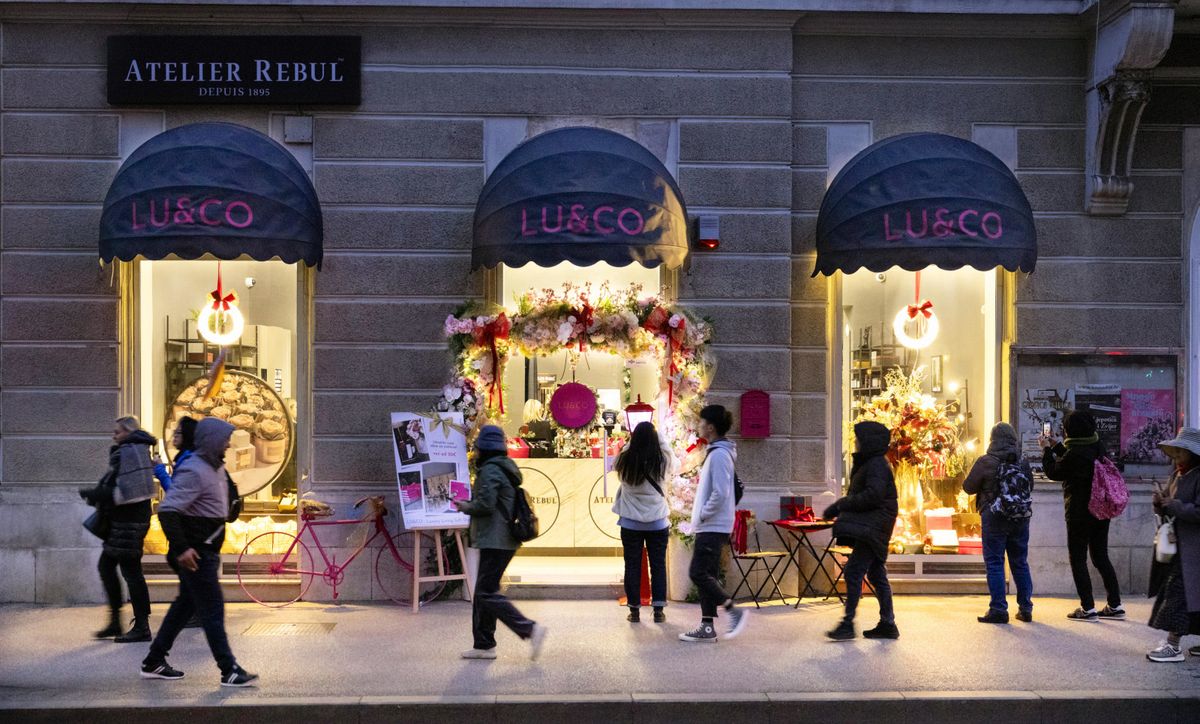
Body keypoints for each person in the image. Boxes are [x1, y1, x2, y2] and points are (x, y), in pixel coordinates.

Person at [140, 418, 257, 687]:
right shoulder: (194, 469)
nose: (229, 443)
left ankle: (153, 661)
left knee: (184, 607)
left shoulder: (213, 466)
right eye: (225, 438)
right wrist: (182, 549)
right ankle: (229, 669)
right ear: (212, 440)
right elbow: (168, 511)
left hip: (204, 550)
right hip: (197, 554)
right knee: (213, 611)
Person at [452, 425, 547, 660]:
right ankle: (483, 644)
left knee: (485, 592)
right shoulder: (503, 468)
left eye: (476, 447)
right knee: (484, 591)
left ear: (483, 448)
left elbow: (485, 505)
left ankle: (528, 628)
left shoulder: (491, 471)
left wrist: (465, 506)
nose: (474, 451)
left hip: (496, 539)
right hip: (499, 538)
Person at [79, 416, 157, 643]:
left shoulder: (131, 452)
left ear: (128, 432)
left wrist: (96, 494)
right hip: (125, 522)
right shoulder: (133, 450)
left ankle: (141, 625)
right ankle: (117, 621)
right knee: (110, 567)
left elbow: (128, 492)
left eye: (118, 432)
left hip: (128, 524)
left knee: (131, 573)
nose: (114, 436)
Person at [1041, 409, 1124, 622]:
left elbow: (1055, 472)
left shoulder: (1075, 453)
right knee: (1100, 556)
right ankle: (1115, 605)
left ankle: (1088, 608)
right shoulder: (1097, 445)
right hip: (1101, 511)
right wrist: (1057, 446)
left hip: (1079, 512)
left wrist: (1046, 451)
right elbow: (1072, 457)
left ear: (1071, 431)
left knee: (1078, 558)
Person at [823, 420, 899, 641]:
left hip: (874, 526)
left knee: (854, 571)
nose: (855, 443)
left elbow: (873, 495)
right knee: (876, 573)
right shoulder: (873, 463)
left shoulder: (876, 464)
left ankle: (848, 624)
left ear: (868, 442)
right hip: (874, 525)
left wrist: (841, 504)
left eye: (858, 440)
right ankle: (888, 623)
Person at [679, 405, 748, 643]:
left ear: (710, 427)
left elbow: (719, 493)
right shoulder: (718, 452)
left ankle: (732, 609)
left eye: (701, 422)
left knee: (698, 572)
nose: (698, 426)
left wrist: (703, 516)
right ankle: (707, 627)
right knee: (707, 573)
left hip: (713, 524)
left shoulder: (718, 455)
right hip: (714, 524)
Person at [963, 422, 1034, 623]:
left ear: (992, 439)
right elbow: (1030, 487)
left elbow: (968, 487)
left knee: (995, 563)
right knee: (1020, 562)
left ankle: (998, 610)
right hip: (1020, 517)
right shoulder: (1023, 462)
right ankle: (1026, 608)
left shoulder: (987, 461)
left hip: (994, 516)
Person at [1144, 428, 1200, 662]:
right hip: (1180, 546)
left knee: (1179, 596)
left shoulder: (1197, 475)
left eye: (1180, 454)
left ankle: (1173, 645)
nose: (1176, 458)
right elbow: (1168, 500)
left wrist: (1173, 505)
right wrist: (1160, 503)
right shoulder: (1178, 473)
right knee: (1186, 595)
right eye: (1175, 454)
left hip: (1193, 549)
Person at [612, 421, 675, 623]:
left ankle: (634, 610)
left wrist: (631, 441)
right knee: (657, 566)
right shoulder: (662, 461)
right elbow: (675, 461)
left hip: (630, 523)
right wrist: (660, 437)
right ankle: (658, 610)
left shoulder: (624, 460)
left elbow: (617, 468)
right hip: (657, 522)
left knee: (632, 566)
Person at [152, 416, 198, 492]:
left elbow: (174, 491)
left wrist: (160, 468)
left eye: (178, 432)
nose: (174, 435)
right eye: (174, 432)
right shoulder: (185, 457)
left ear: (187, 435)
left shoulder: (188, 461)